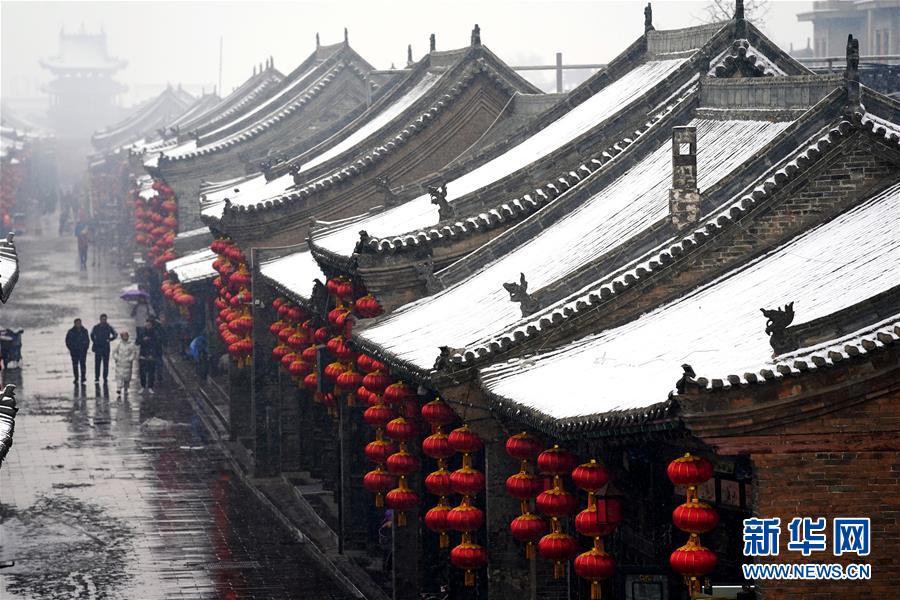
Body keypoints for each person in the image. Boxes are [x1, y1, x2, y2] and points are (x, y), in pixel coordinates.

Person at [136, 318, 162, 394]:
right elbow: (137, 342)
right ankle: (143, 386)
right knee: (142, 372)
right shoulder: (142, 332)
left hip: (152, 355)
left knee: (151, 372)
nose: (147, 326)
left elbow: (157, 343)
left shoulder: (155, 333)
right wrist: (143, 340)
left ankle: (150, 387)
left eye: (149, 325)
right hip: (143, 354)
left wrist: (150, 341)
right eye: (146, 324)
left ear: (152, 325)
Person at [90, 314, 117, 383]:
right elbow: (92, 335)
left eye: (104, 319)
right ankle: (97, 377)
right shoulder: (96, 327)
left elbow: (115, 334)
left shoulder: (109, 327)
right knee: (97, 363)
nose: (103, 321)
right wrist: (95, 341)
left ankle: (105, 377)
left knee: (106, 364)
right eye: (102, 319)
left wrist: (110, 339)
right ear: (100, 319)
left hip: (106, 347)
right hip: (98, 347)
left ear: (106, 319)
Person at [112, 331, 138, 397]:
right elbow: (114, 352)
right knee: (119, 376)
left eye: (126, 336)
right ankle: (119, 388)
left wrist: (130, 359)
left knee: (127, 377)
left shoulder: (131, 345)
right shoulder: (119, 344)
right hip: (120, 363)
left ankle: (126, 388)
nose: (125, 337)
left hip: (127, 364)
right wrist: (117, 358)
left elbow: (134, 352)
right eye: (124, 336)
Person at [65, 319, 90, 384]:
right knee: (75, 365)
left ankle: (83, 377)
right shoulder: (71, 331)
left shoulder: (84, 331)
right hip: (74, 351)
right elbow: (67, 341)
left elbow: (87, 340)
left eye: (79, 323)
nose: (78, 324)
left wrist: (85, 348)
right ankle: (76, 378)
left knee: (83, 364)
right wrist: (71, 348)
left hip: (82, 351)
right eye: (77, 323)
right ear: (75, 324)